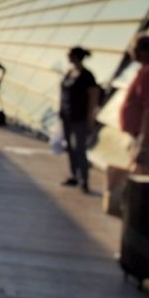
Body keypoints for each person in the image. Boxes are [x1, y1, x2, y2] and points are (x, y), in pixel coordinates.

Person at [59, 46, 99, 193]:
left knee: (80, 149)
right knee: (69, 147)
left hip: (80, 117)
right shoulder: (69, 73)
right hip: (67, 116)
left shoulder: (87, 76)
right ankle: (74, 175)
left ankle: (84, 180)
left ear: (76, 57)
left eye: (70, 55)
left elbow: (93, 98)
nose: (67, 57)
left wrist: (90, 119)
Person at [120, 33, 149, 175]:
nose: (131, 52)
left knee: (141, 179)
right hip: (138, 135)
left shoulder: (148, 73)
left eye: (133, 48)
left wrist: (143, 143)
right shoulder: (143, 71)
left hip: (143, 139)